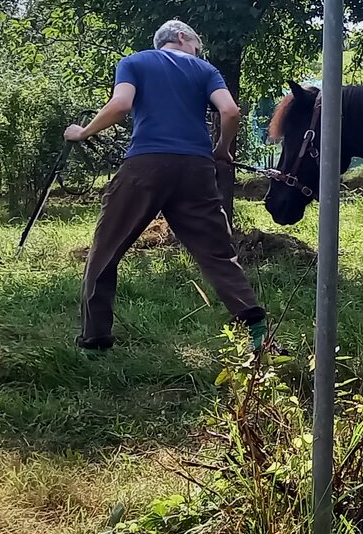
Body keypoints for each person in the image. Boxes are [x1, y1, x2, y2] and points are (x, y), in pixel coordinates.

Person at [69, 19, 269, 353]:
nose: (198, 51)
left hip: (145, 166)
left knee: (105, 252)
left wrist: (83, 132)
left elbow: (121, 106)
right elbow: (231, 112)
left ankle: (95, 341)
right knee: (219, 255)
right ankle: (258, 333)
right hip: (196, 170)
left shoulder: (134, 62)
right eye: (197, 45)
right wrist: (220, 150)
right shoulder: (206, 70)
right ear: (181, 37)